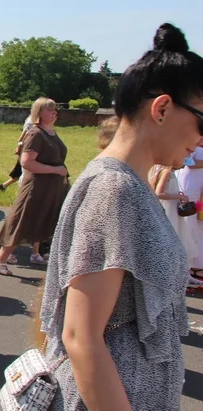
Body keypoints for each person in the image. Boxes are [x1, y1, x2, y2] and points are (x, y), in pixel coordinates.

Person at [38, 23, 202, 410]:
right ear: (161, 108)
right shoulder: (115, 189)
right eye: (202, 121)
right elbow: (81, 336)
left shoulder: (133, 183)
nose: (201, 139)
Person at [0, 99, 68, 273]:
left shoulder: (50, 132)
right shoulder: (36, 134)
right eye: (50, 110)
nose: (55, 113)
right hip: (36, 187)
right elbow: (26, 163)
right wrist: (54, 170)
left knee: (40, 222)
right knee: (24, 223)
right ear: (39, 112)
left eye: (56, 110)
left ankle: (36, 254)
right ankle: (0, 257)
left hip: (50, 188)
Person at [150, 164, 202, 287]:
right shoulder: (167, 172)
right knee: (172, 240)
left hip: (173, 209)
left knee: (179, 240)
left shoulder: (170, 172)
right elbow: (159, 193)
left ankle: (182, 274)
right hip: (168, 210)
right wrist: (179, 196)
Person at [178, 144, 203, 280]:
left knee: (200, 224)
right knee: (189, 221)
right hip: (191, 183)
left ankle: (198, 265)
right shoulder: (193, 141)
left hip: (201, 185)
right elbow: (187, 162)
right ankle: (186, 263)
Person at [0, 115, 34, 192]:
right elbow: (23, 137)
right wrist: (19, 147)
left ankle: (3, 186)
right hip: (27, 151)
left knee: (19, 171)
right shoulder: (32, 121)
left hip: (28, 150)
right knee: (23, 171)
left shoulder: (32, 119)